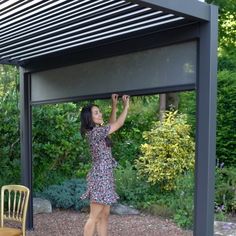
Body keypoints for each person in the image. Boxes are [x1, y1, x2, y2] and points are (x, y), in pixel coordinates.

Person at [80, 94, 130, 236]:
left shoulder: (99, 131)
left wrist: (114, 106)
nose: (100, 114)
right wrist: (126, 106)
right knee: (94, 217)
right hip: (100, 178)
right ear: (89, 118)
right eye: (96, 113)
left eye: (99, 111)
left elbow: (111, 125)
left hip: (106, 176)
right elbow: (118, 124)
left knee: (105, 214)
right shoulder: (95, 133)